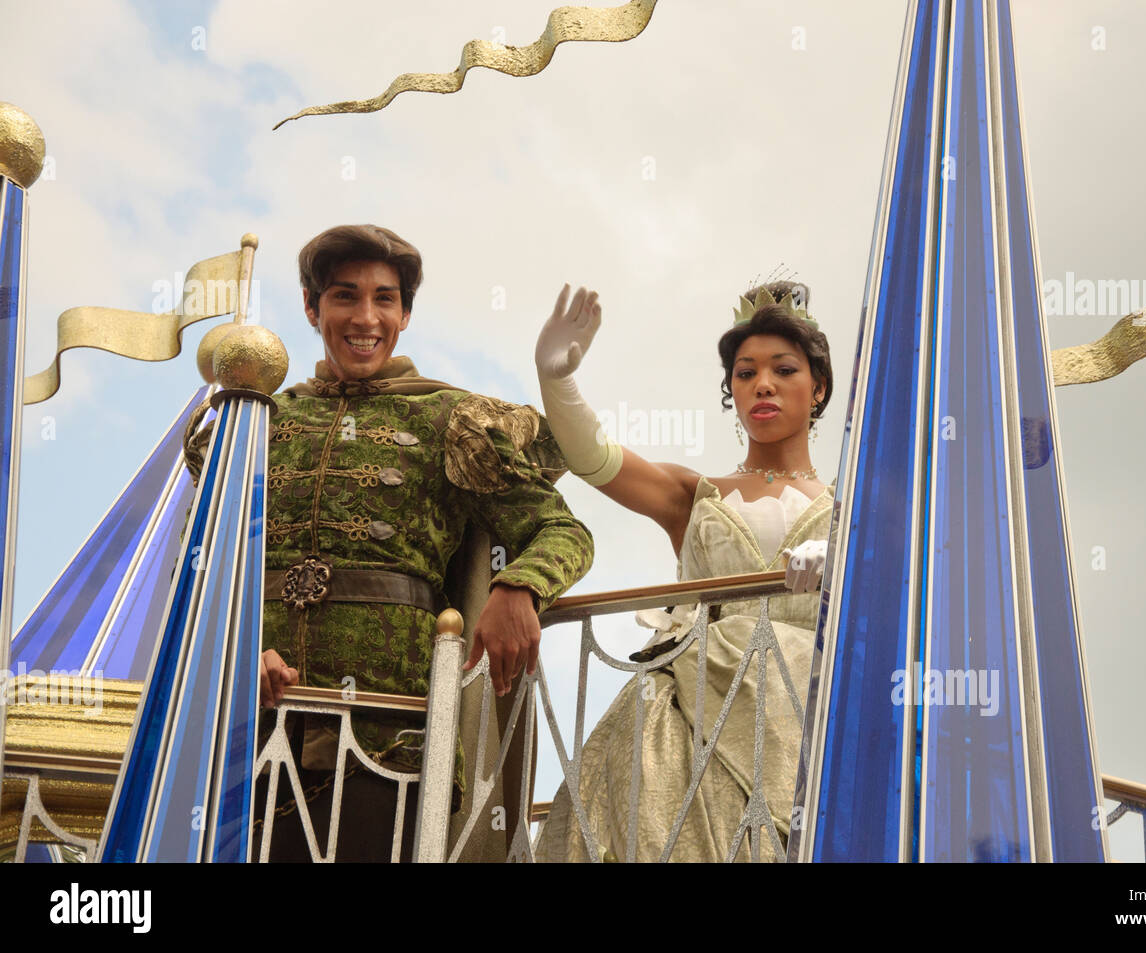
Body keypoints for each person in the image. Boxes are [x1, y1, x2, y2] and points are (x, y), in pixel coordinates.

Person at [190, 224, 595, 861]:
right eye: (345, 296)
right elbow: (204, 563)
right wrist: (239, 645)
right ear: (310, 305)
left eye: (385, 299)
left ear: (405, 314)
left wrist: (519, 586)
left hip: (389, 742)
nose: (365, 317)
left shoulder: (445, 420)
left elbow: (562, 529)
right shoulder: (263, 421)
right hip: (245, 732)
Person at [532, 279, 832, 862]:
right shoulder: (693, 494)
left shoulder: (857, 509)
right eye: (745, 373)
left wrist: (846, 557)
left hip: (809, 714)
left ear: (817, 389)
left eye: (784, 370)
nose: (762, 384)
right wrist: (557, 380)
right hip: (687, 718)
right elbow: (596, 459)